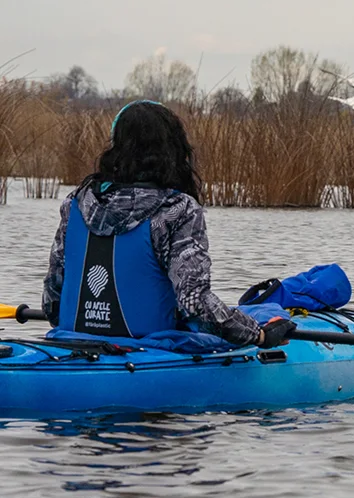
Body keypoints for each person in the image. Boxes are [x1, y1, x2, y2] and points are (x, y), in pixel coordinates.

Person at [41, 100, 294, 348]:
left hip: (73, 342)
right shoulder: (177, 210)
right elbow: (194, 302)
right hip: (150, 348)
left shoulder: (76, 203)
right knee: (260, 314)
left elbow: (53, 300)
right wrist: (257, 335)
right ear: (172, 150)